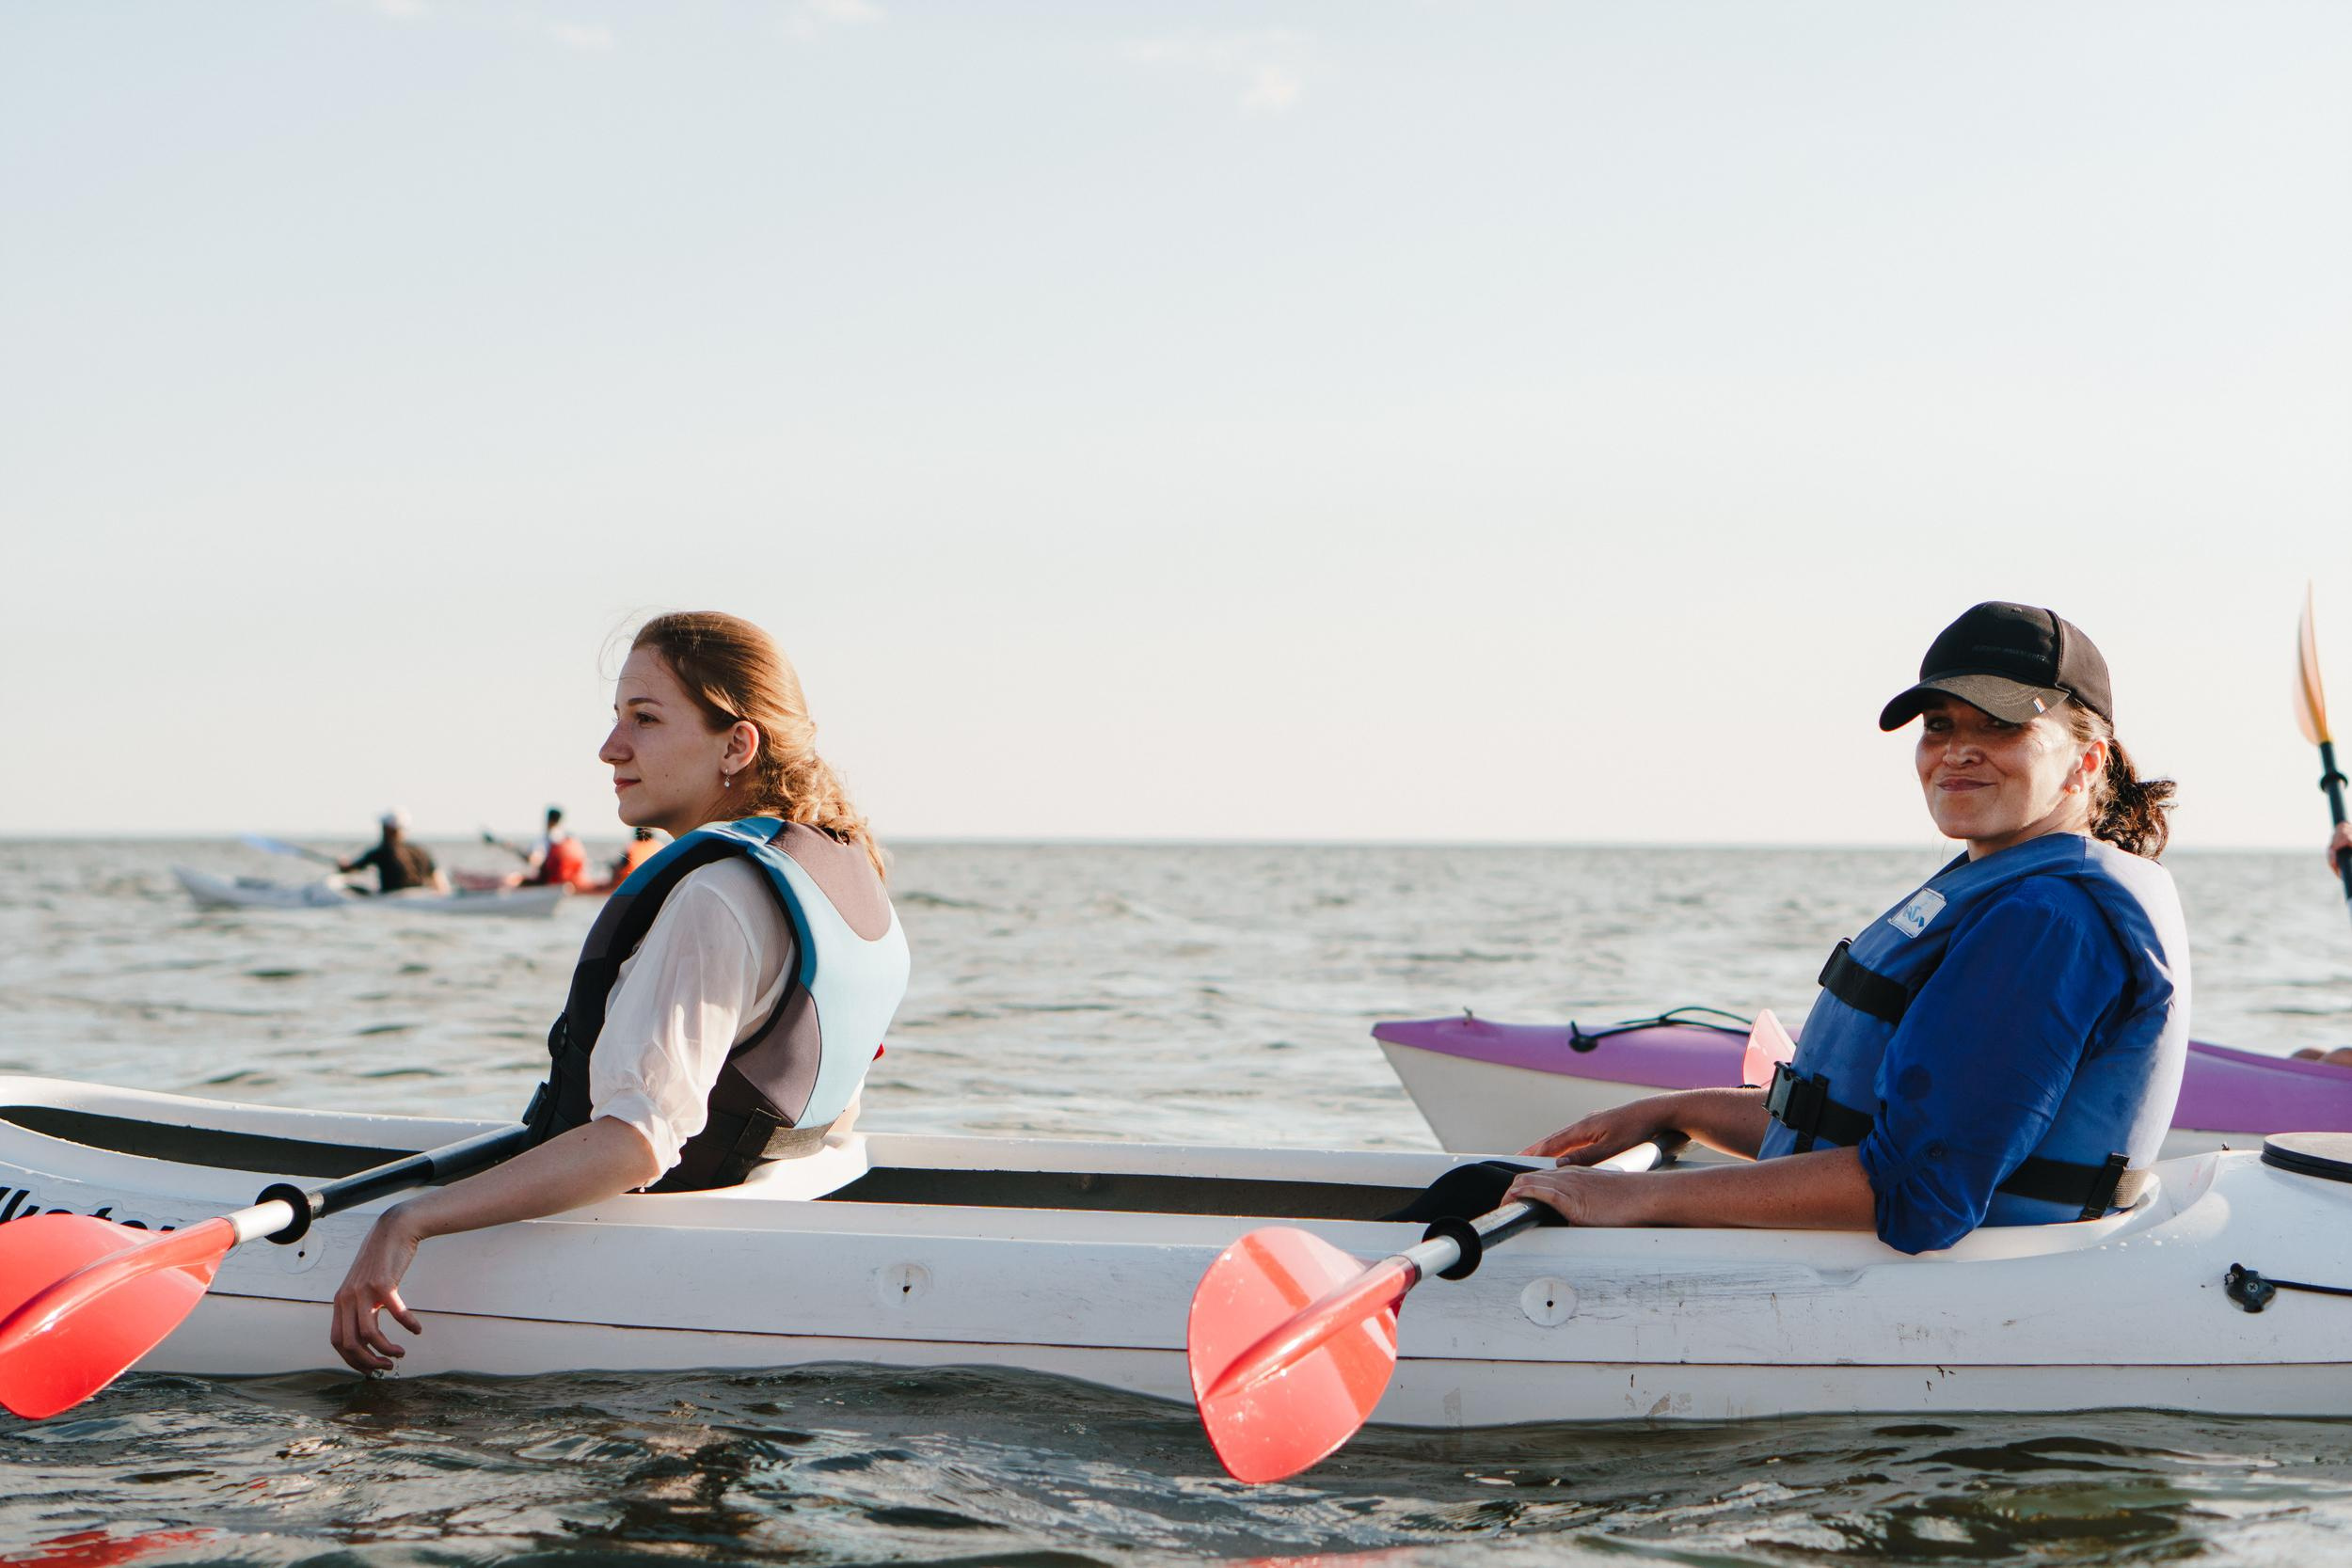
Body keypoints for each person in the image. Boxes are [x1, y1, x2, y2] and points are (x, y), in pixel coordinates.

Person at [1504, 602, 2188, 1254]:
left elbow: (1919, 1194)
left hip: (1955, 1292)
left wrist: (1630, 1200)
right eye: (1940, 725)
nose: (1958, 752)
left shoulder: (2044, 924)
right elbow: (1856, 1130)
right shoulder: (2018, 888)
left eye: (2000, 726)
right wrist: (1679, 1110)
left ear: (2086, 762)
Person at [329, 612, 910, 1371]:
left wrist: (406, 1222)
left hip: (641, 1258)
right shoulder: (843, 871)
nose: (611, 748)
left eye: (645, 719)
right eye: (616, 719)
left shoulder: (716, 897)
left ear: (737, 744)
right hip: (749, 1224)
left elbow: (635, 1143)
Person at [337, 811, 449, 895]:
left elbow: (352, 868)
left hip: (393, 897)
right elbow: (437, 878)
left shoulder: (383, 850)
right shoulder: (419, 851)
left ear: (387, 829)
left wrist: (343, 865)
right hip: (420, 894)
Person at [582, 827, 661, 895]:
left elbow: (620, 867)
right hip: (652, 885)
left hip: (629, 886)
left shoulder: (633, 848)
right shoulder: (659, 847)